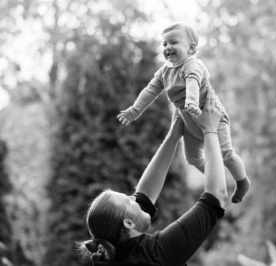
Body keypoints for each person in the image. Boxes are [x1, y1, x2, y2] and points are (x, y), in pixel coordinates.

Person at [79, 90, 229, 266]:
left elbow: (145, 195)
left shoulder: (110, 251)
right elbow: (217, 196)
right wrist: (210, 130)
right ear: (128, 223)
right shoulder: (155, 256)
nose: (133, 198)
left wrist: (173, 137)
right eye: (128, 201)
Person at [117, 21, 250, 203]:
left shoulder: (193, 65)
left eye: (174, 42)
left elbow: (193, 82)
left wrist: (192, 102)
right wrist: (135, 109)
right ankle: (218, 179)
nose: (168, 47)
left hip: (211, 116)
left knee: (226, 154)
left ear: (191, 48)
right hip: (188, 121)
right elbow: (151, 90)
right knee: (193, 158)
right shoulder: (164, 72)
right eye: (164, 44)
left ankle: (242, 182)